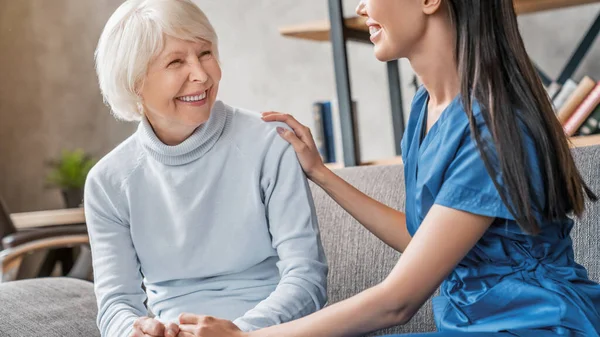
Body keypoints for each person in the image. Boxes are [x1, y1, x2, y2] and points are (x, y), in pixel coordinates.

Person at [185, 0, 600, 336]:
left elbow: (397, 302)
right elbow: (421, 241)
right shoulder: (425, 110)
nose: (362, 8)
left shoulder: (491, 127)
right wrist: (322, 174)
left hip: (536, 325)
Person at [86, 1, 328, 336]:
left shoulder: (269, 142)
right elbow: (116, 304)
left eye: (205, 53)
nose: (201, 75)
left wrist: (238, 332)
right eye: (176, 62)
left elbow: (307, 279)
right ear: (134, 82)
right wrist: (134, 331)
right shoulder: (108, 182)